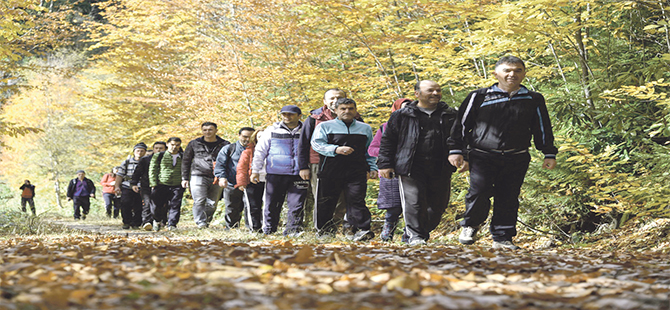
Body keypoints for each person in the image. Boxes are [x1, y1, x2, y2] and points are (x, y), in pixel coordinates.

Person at [448, 56, 557, 250]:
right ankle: (471, 225)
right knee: (479, 192)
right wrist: (457, 151)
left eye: (517, 70)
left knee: (508, 196)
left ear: (524, 74)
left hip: (517, 156)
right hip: (482, 155)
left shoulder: (533, 99)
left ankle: (502, 237)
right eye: (507, 70)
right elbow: (462, 126)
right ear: (496, 73)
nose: (512, 74)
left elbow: (542, 127)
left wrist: (549, 152)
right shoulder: (479, 96)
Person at [378, 80, 458, 246]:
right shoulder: (401, 115)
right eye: (430, 90)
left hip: (441, 166)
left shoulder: (450, 114)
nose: (435, 93)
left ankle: (419, 233)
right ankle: (416, 237)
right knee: (414, 203)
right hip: (410, 166)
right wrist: (385, 164)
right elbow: (388, 140)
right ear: (417, 94)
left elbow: (459, 139)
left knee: (438, 207)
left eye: (438, 90)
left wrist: (463, 157)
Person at [312, 98, 378, 241]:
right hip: (330, 170)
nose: (347, 111)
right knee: (326, 201)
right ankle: (324, 232)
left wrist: (373, 167)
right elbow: (316, 144)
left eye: (350, 109)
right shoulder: (324, 126)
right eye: (343, 108)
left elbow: (369, 150)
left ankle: (360, 230)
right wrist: (336, 149)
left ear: (355, 110)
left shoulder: (364, 128)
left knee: (357, 201)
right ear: (335, 110)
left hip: (356, 171)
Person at [298, 88, 361, 232]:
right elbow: (303, 143)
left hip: (348, 164)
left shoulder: (355, 117)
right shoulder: (315, 118)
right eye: (332, 98)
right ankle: (322, 230)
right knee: (323, 197)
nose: (335, 101)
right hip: (319, 163)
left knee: (345, 199)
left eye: (339, 97)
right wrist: (303, 166)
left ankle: (341, 227)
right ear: (325, 101)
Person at [251, 105, 308, 236]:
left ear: (299, 116)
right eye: (284, 114)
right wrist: (255, 170)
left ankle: (293, 230)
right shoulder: (271, 130)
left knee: (297, 204)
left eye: (291, 114)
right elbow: (260, 151)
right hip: (275, 173)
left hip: (299, 174)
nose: (287, 117)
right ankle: (269, 229)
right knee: (272, 203)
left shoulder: (306, 130)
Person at [367, 98, 411, 241]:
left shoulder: (418, 126)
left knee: (412, 205)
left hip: (411, 171)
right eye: (403, 108)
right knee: (393, 206)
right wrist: (389, 153)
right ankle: (387, 233)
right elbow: (372, 149)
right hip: (390, 172)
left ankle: (408, 234)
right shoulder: (385, 127)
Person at [182, 122, 230, 229]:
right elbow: (186, 161)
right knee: (199, 199)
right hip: (198, 175)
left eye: (210, 130)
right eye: (205, 130)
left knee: (212, 203)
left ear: (216, 131)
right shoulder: (194, 143)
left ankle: (206, 221)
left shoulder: (225, 144)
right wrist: (184, 178)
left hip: (218, 176)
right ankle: (200, 222)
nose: (207, 132)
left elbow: (230, 161)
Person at [214, 127, 254, 229]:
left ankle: (251, 228)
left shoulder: (258, 149)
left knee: (250, 207)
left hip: (251, 184)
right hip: (232, 183)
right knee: (231, 207)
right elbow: (220, 164)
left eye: (250, 137)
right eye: (245, 136)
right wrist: (222, 177)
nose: (247, 139)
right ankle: (231, 228)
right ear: (239, 136)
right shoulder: (229, 149)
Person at [149, 137, 185, 231]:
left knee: (175, 205)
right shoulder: (159, 156)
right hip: (161, 183)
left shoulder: (183, 156)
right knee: (157, 205)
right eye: (172, 144)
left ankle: (172, 224)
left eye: (177, 145)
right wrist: (153, 183)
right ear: (167, 144)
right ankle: (157, 220)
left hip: (177, 184)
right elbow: (152, 169)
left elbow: (187, 170)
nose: (174, 147)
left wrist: (186, 181)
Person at [131, 141, 167, 230]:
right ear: (153, 149)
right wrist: (134, 183)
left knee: (161, 205)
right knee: (147, 203)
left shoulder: (168, 159)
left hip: (163, 185)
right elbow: (137, 172)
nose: (158, 150)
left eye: (161, 148)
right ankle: (147, 222)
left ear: (165, 149)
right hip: (146, 185)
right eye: (156, 148)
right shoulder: (145, 160)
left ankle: (160, 221)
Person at [235, 130, 264, 233]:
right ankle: (255, 228)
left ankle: (267, 227)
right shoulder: (248, 151)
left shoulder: (273, 150)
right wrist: (241, 182)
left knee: (267, 206)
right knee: (253, 206)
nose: (262, 138)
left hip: (269, 181)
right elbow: (241, 168)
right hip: (252, 182)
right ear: (255, 138)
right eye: (259, 136)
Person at [115, 142, 147, 229]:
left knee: (139, 206)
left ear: (145, 152)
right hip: (127, 185)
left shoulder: (147, 162)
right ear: (134, 151)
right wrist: (117, 187)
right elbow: (120, 175)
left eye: (142, 151)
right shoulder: (127, 162)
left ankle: (136, 223)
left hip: (142, 186)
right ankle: (126, 222)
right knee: (125, 203)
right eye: (138, 151)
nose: (139, 153)